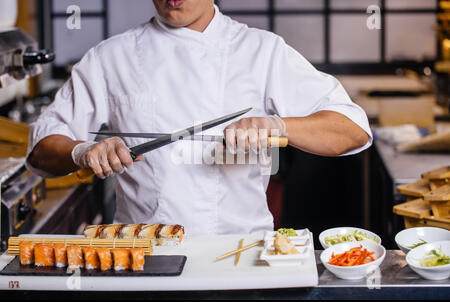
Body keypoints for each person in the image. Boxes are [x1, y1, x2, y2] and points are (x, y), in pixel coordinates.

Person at [27, 0, 372, 235]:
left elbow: (353, 128)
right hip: (145, 257)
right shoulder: (111, 57)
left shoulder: (261, 51)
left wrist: (278, 125)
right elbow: (41, 148)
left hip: (242, 254)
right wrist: (83, 152)